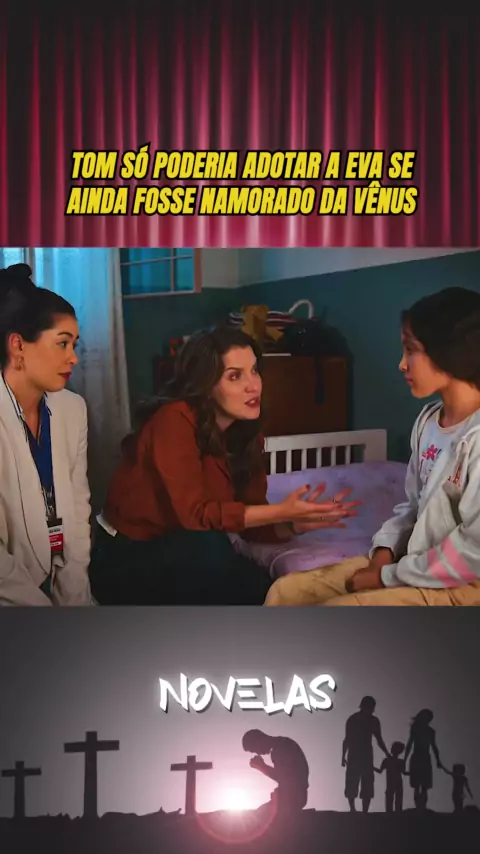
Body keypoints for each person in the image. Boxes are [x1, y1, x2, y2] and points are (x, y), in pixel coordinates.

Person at [89, 327, 358, 605]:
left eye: (254, 371)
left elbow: (251, 522)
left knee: (267, 587)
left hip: (189, 551)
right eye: (235, 376)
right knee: (212, 548)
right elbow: (195, 515)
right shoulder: (174, 420)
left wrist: (291, 524)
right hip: (127, 555)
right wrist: (280, 510)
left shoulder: (246, 431)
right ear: (206, 386)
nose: (253, 386)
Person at [265, 287, 480, 606]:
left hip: (464, 582)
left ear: (449, 352)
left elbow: (474, 551)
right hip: (411, 563)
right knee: (285, 592)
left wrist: (385, 577)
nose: (402, 364)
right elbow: (412, 505)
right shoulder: (428, 421)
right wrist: (383, 553)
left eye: (410, 350)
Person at [0, 264, 93, 606]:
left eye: (75, 345)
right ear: (18, 346)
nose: (74, 359)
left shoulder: (72, 409)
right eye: (62, 344)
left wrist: (73, 595)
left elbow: (79, 507)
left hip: (60, 583)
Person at [242, 730, 309, 815]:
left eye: (255, 749)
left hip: (292, 798)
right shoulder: (282, 744)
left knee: (257, 816)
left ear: (259, 740)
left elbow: (283, 777)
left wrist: (261, 766)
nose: (258, 753)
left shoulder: (281, 747)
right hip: (293, 797)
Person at [342, 696, 389, 813]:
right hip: (354, 753)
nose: (372, 709)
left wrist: (386, 752)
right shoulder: (353, 719)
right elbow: (347, 739)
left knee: (367, 782)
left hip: (366, 754)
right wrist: (343, 756)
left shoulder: (373, 721)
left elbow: (379, 739)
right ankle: (352, 808)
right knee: (352, 781)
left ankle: (365, 811)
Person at [405, 710, 442, 811]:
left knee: (424, 785)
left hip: (425, 758)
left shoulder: (430, 731)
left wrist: (438, 760)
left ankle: (423, 807)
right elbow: (409, 744)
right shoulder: (415, 729)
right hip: (417, 758)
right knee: (417, 785)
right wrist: (404, 759)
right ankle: (418, 807)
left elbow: (434, 746)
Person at [375, 741, 407, 813]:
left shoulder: (388, 760)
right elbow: (404, 773)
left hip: (395, 784)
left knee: (394, 801)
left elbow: (379, 771)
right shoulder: (399, 762)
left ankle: (394, 815)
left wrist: (371, 767)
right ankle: (394, 815)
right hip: (394, 784)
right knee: (394, 801)